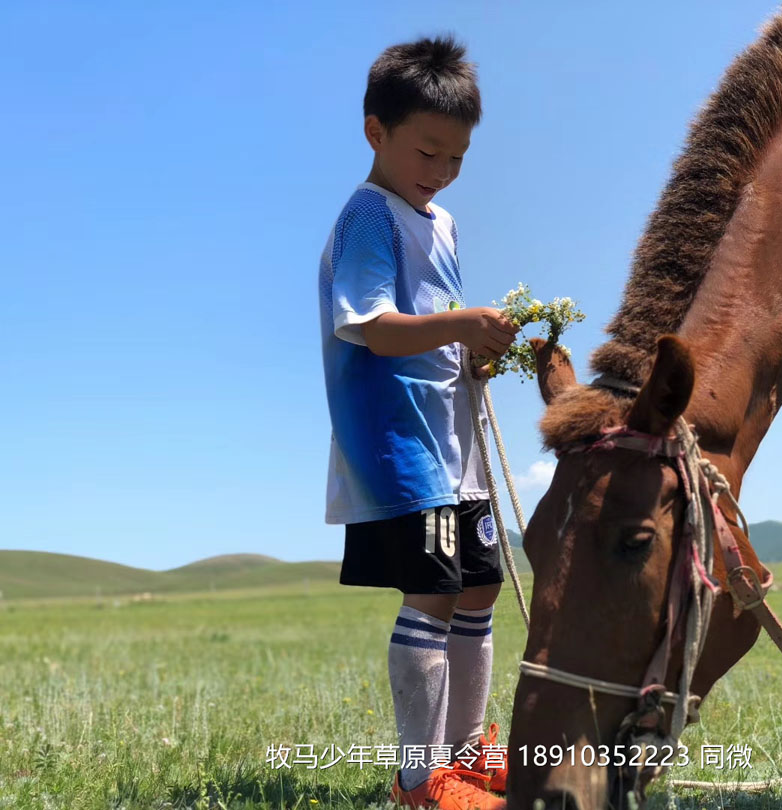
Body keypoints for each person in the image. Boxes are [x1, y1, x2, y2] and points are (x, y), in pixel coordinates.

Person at [317, 35, 519, 810]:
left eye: (456, 159)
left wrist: (475, 354)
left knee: (480, 587)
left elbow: (434, 327)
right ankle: (418, 780)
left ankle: (466, 757)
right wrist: (464, 324)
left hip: (454, 439)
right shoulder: (369, 214)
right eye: (427, 152)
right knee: (431, 594)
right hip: (399, 442)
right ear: (377, 132)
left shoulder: (445, 224)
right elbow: (373, 327)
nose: (439, 172)